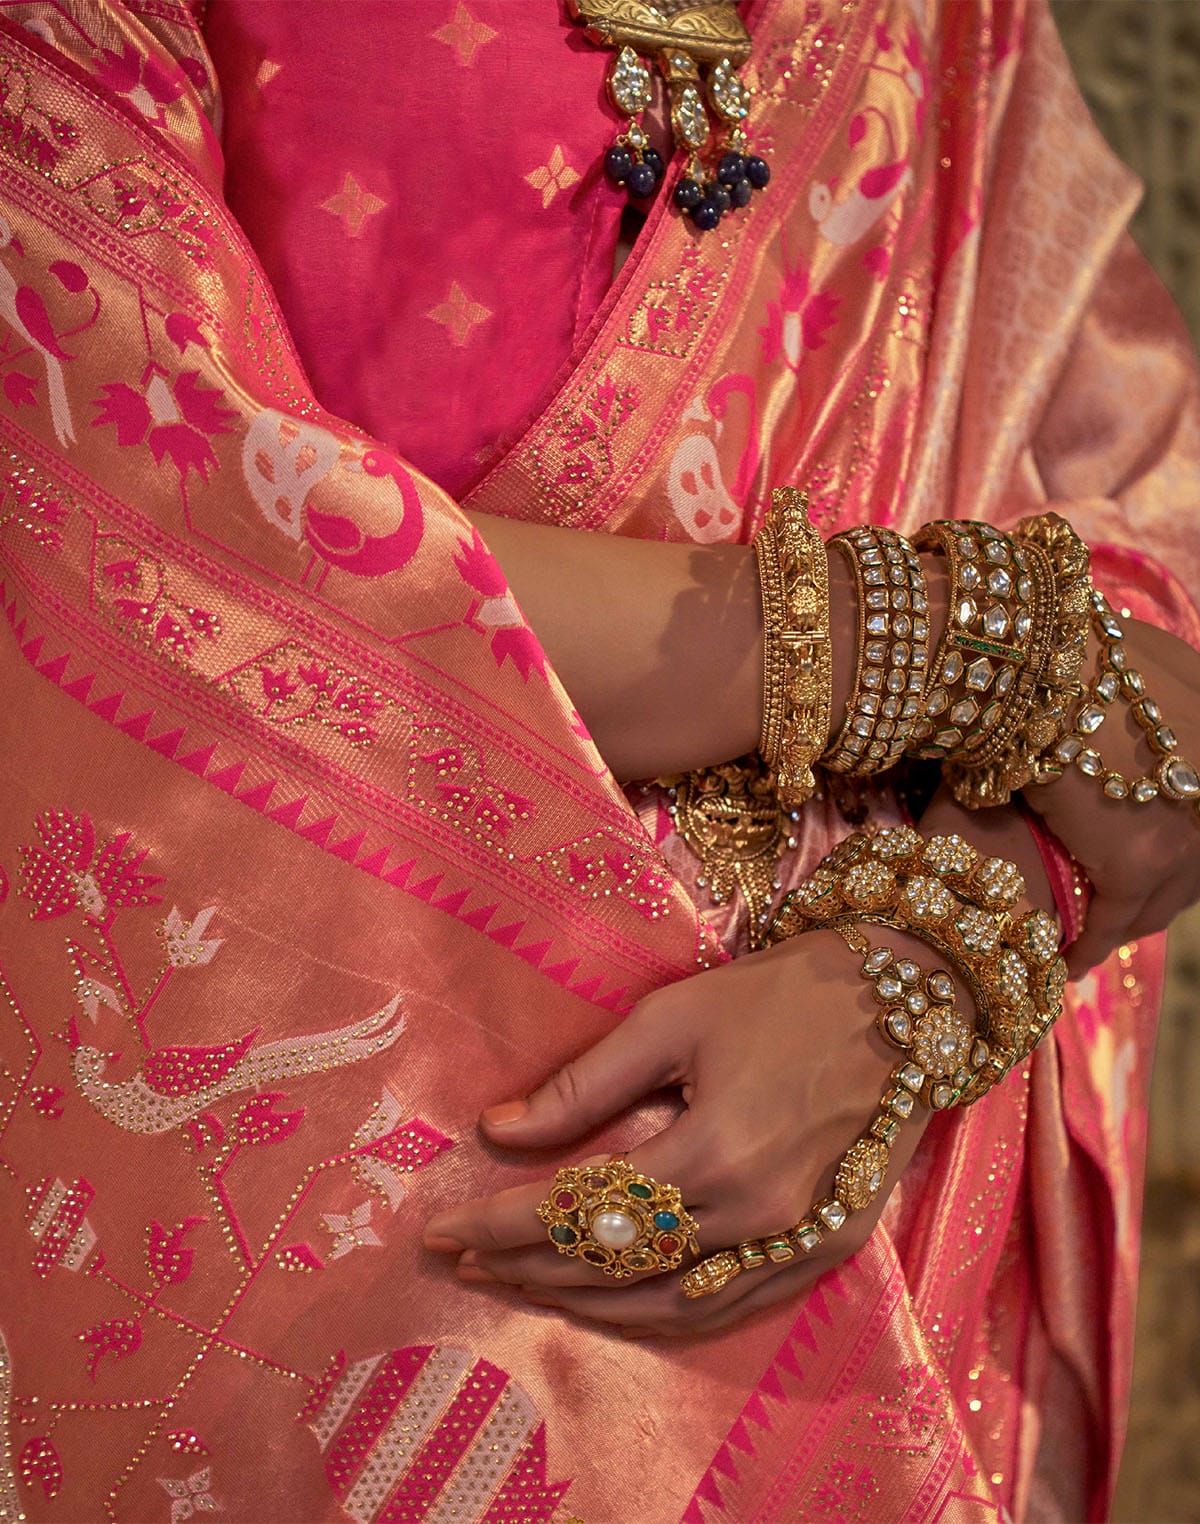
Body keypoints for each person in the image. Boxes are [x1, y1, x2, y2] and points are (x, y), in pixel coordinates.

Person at [0, 2, 1197, 1521]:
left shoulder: (950, 23)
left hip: (875, 1202)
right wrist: (949, 637)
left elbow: (1151, 573)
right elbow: (120, 498)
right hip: (351, 1182)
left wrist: (916, 969)